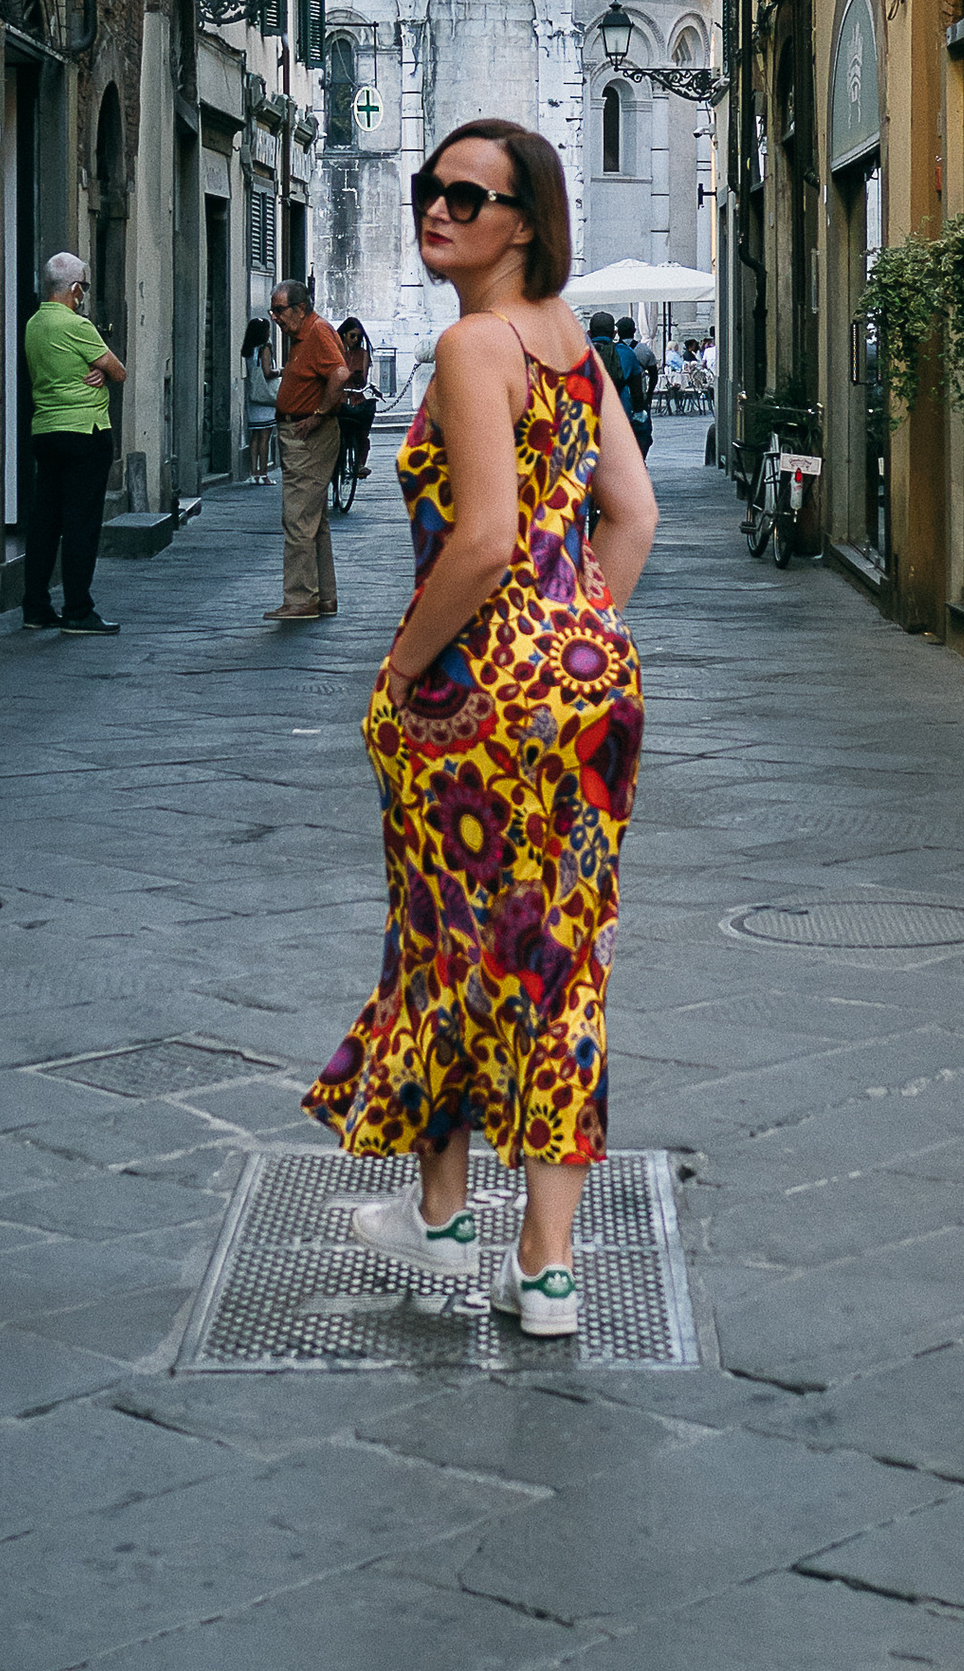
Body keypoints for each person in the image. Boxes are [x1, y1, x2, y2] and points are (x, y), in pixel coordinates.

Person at [306, 118, 656, 1339]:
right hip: (589, 682)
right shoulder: (575, 350)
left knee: (442, 937)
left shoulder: (472, 343)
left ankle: (445, 1220)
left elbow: (487, 538)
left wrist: (404, 670)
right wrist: (569, 639)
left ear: (525, 222)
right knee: (560, 955)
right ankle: (542, 1269)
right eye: (429, 186)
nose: (438, 207)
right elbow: (633, 516)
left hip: (474, 690)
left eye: (470, 193)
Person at [19, 251, 125, 636]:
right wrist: (99, 367)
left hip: (45, 430)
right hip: (85, 431)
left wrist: (93, 366)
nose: (84, 295)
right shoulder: (77, 325)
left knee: (44, 522)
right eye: (85, 288)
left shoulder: (33, 325)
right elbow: (119, 370)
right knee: (81, 524)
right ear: (75, 289)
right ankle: (78, 609)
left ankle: (35, 607)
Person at [263, 277, 349, 621]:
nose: (275, 317)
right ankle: (324, 596)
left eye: (280, 310)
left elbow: (340, 375)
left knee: (298, 517)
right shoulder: (303, 334)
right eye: (273, 310)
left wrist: (319, 413)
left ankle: (300, 598)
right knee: (315, 518)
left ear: (301, 307)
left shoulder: (316, 332)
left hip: (307, 435)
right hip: (303, 432)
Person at [335, 316, 381, 491]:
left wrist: (354, 378)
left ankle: (360, 463)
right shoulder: (336, 352)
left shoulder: (363, 354)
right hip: (339, 397)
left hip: (356, 396)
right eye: (352, 336)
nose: (355, 340)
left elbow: (362, 380)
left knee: (362, 430)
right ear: (344, 335)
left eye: (358, 337)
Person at [240, 317, 279, 483]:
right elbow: (267, 372)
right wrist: (281, 371)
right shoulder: (265, 348)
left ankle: (253, 473)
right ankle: (264, 473)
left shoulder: (249, 349)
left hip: (253, 395)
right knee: (265, 436)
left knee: (255, 436)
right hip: (265, 397)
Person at [614, 314, 656, 454]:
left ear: (618, 331)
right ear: (634, 330)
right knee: (643, 430)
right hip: (640, 395)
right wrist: (649, 393)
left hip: (617, 396)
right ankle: (640, 457)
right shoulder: (644, 350)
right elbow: (654, 374)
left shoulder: (613, 350)